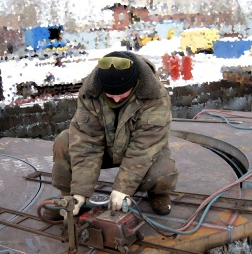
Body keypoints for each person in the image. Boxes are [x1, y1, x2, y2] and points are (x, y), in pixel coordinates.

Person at [49, 51, 179, 218]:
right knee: (64, 141)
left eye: (122, 94)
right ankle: (70, 198)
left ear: (135, 85)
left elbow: (144, 147)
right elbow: (86, 143)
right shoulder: (90, 93)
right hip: (105, 148)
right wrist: (80, 191)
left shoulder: (154, 95)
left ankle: (157, 193)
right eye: (110, 95)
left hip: (138, 148)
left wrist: (122, 189)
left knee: (163, 169)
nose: (116, 100)